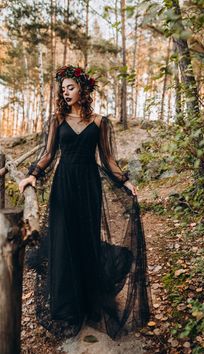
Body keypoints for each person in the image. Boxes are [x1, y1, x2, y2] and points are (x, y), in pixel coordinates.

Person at [19, 65, 152, 340]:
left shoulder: (100, 122)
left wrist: (125, 182)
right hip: (64, 186)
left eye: (71, 87)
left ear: (83, 89)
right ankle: (69, 307)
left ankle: (89, 303)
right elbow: (47, 154)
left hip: (89, 187)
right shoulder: (57, 118)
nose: (66, 92)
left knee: (86, 240)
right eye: (63, 88)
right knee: (64, 242)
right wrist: (32, 176)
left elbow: (108, 159)